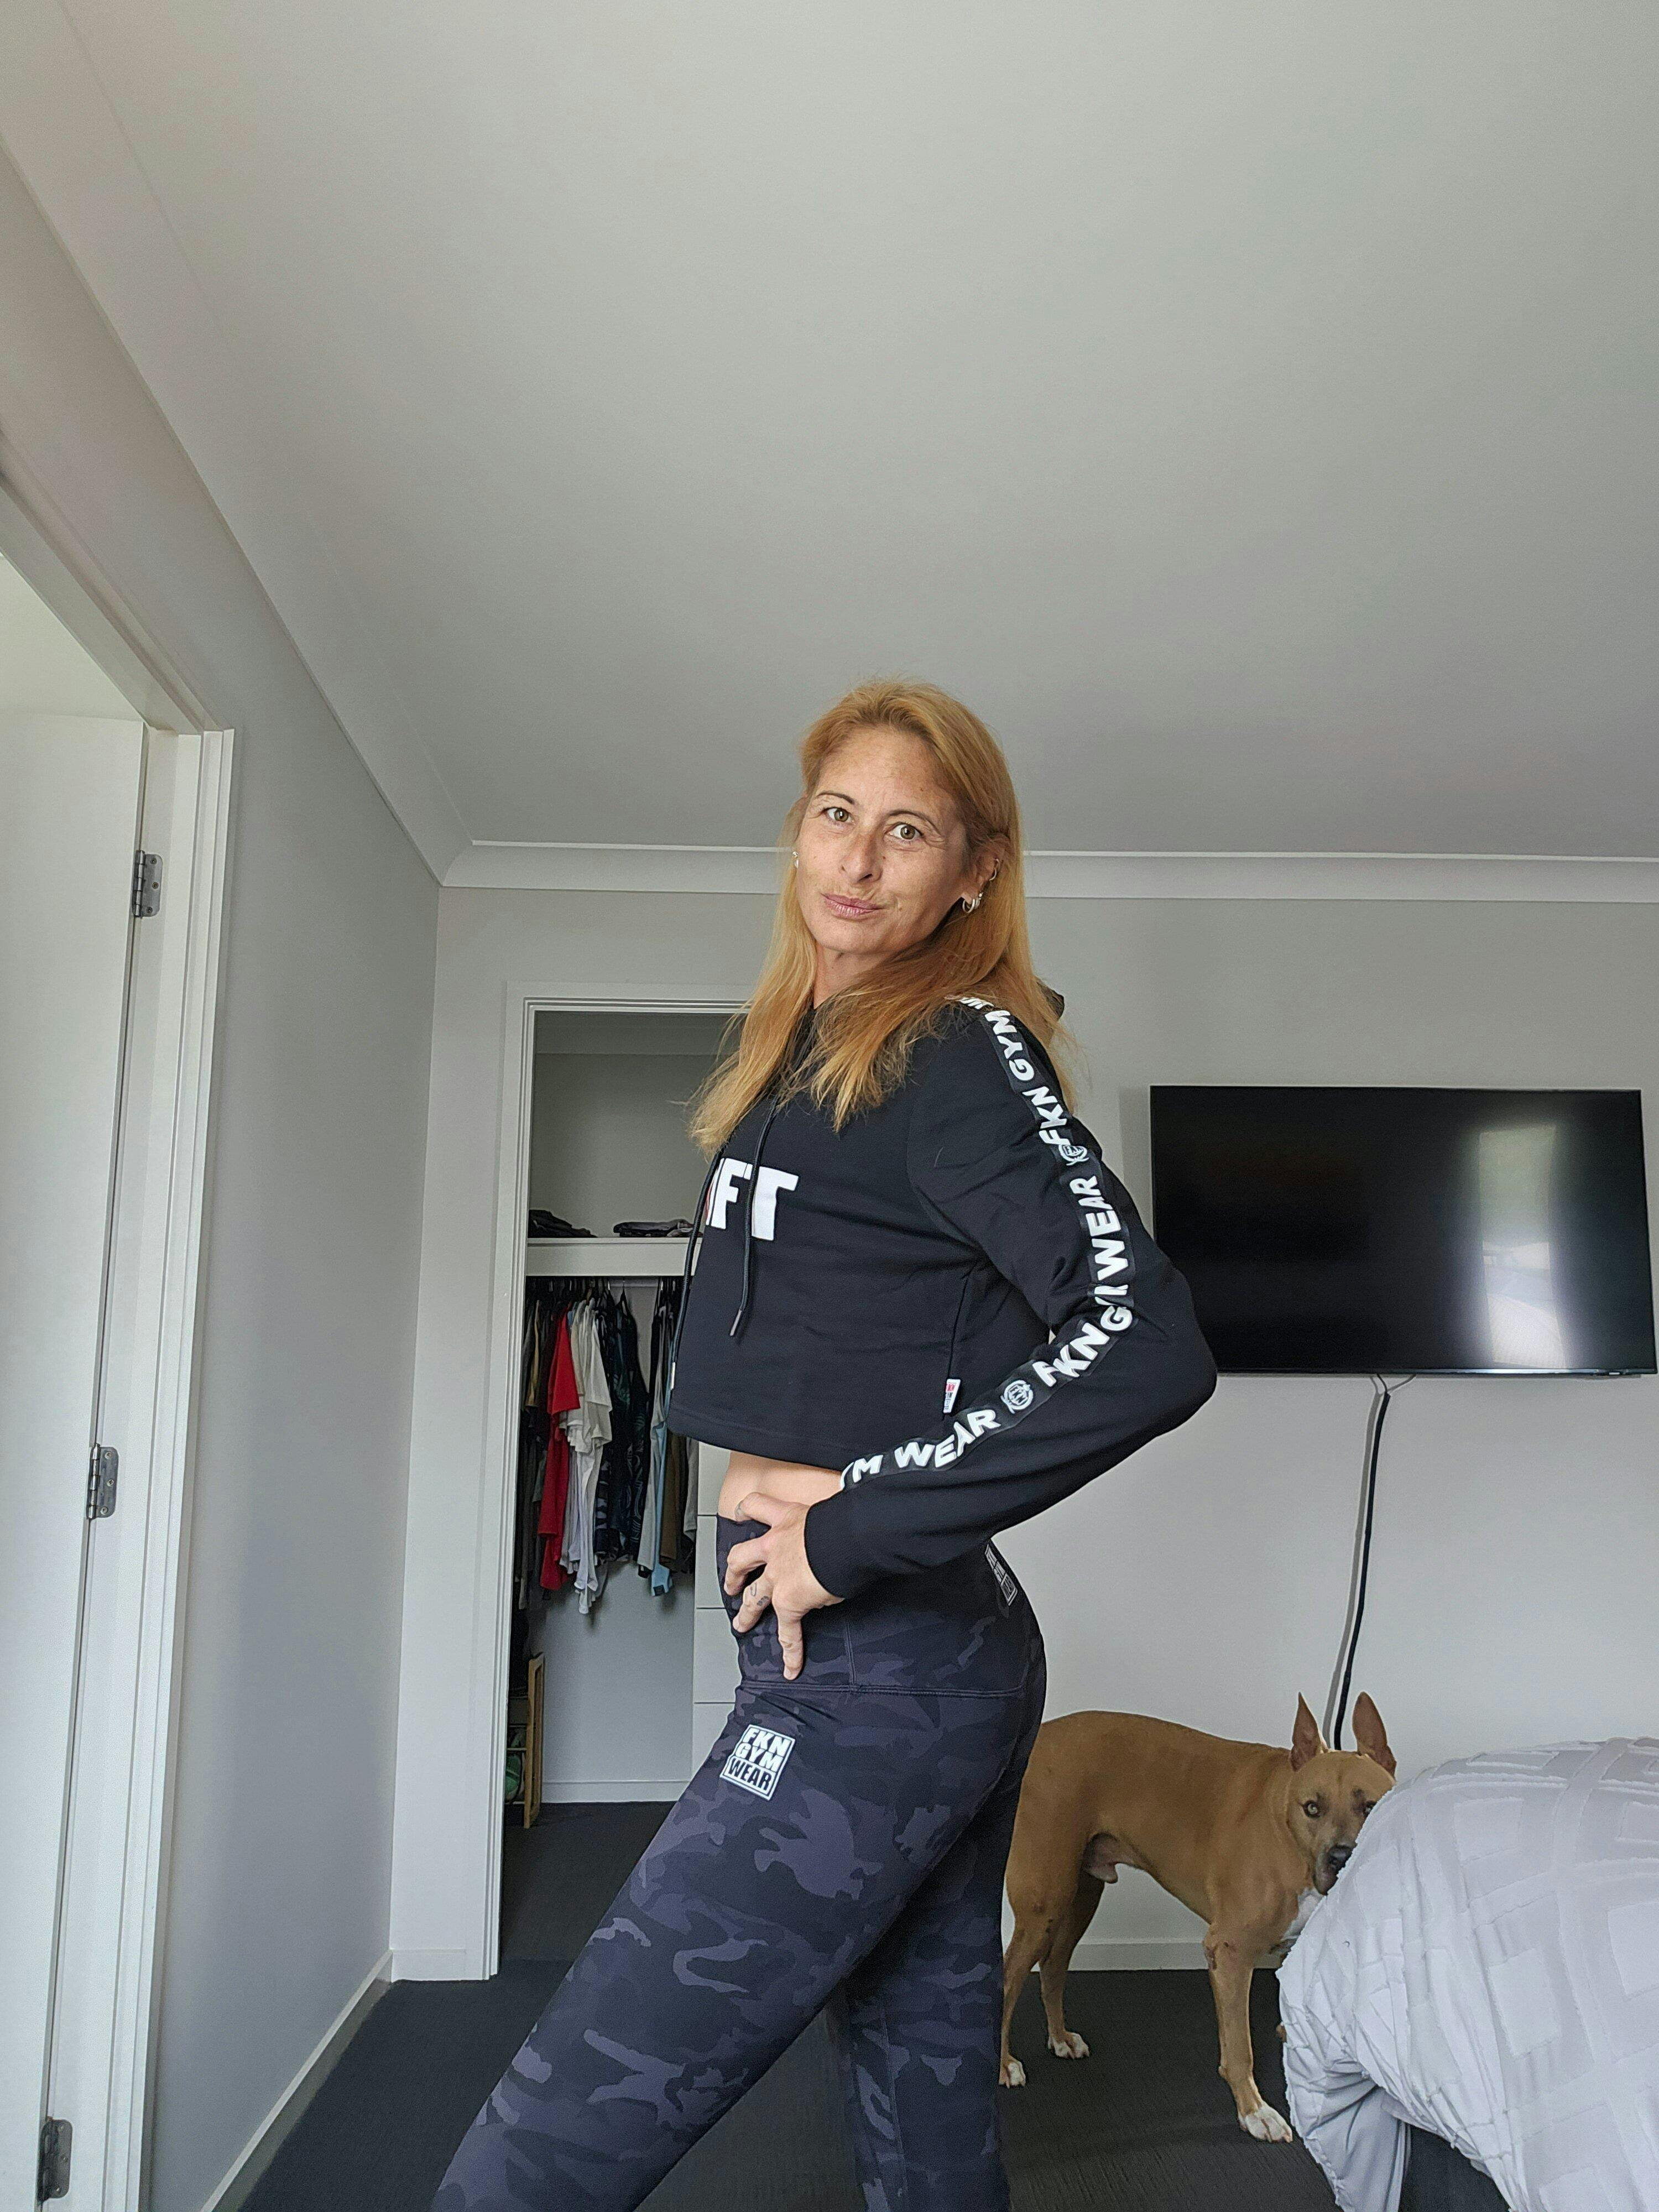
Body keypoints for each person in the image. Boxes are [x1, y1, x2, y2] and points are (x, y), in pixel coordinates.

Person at [432, 679, 1217, 2211]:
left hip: (889, 1663)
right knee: (922, 2112)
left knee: (540, 2149)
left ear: (975, 871)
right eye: (836, 814)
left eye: (908, 830)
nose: (858, 859)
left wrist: (858, 1523)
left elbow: (1146, 1338)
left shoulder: (959, 1051)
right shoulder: (810, 1049)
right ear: (799, 830)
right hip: (858, 1657)